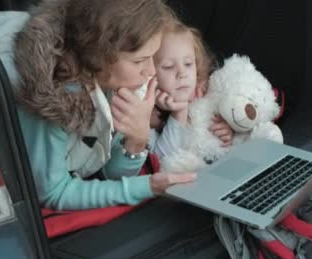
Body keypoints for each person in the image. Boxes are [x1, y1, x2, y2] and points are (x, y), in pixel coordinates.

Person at [13, 0, 217, 211]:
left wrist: (136, 141)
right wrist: (148, 187)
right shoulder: (53, 97)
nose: (151, 70)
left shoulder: (118, 81)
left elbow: (109, 174)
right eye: (140, 61)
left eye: (152, 58)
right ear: (100, 56)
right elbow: (52, 193)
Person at [150, 21, 233, 158]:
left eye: (188, 64)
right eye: (169, 66)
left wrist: (228, 132)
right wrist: (179, 113)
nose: (182, 73)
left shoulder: (207, 94)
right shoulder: (149, 116)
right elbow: (160, 161)